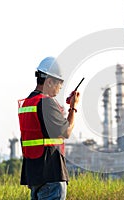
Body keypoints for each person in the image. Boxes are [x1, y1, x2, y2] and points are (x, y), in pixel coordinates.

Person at [18, 57, 80, 200]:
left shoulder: (26, 104)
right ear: (49, 81)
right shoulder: (46, 103)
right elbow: (67, 131)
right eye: (59, 83)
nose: (59, 88)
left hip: (35, 177)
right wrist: (73, 107)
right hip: (51, 176)